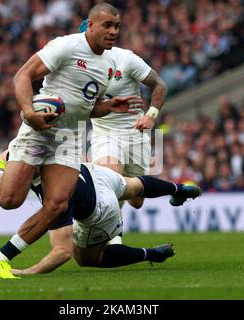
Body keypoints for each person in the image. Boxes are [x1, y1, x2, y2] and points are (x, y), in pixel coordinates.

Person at [0, 3, 142, 269]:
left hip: (69, 140)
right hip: (40, 132)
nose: (114, 31)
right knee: (10, 200)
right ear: (90, 25)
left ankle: (0, 261)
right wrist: (28, 112)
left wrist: (108, 106)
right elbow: (22, 75)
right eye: (107, 25)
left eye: (117, 26)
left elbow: (87, 106)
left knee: (57, 205)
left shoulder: (110, 64)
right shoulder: (66, 46)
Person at [0, 155, 202, 279]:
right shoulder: (29, 148)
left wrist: (27, 272)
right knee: (133, 186)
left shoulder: (55, 198)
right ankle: (178, 189)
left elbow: (62, 252)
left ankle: (152, 255)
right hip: (94, 172)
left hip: (99, 206)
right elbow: (1, 160)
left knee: (87, 258)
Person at [79, 19, 168, 244]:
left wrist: (151, 115)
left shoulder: (125, 59)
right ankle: (114, 240)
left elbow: (160, 85)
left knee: (136, 200)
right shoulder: (77, 68)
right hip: (104, 133)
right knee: (110, 180)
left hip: (136, 133)